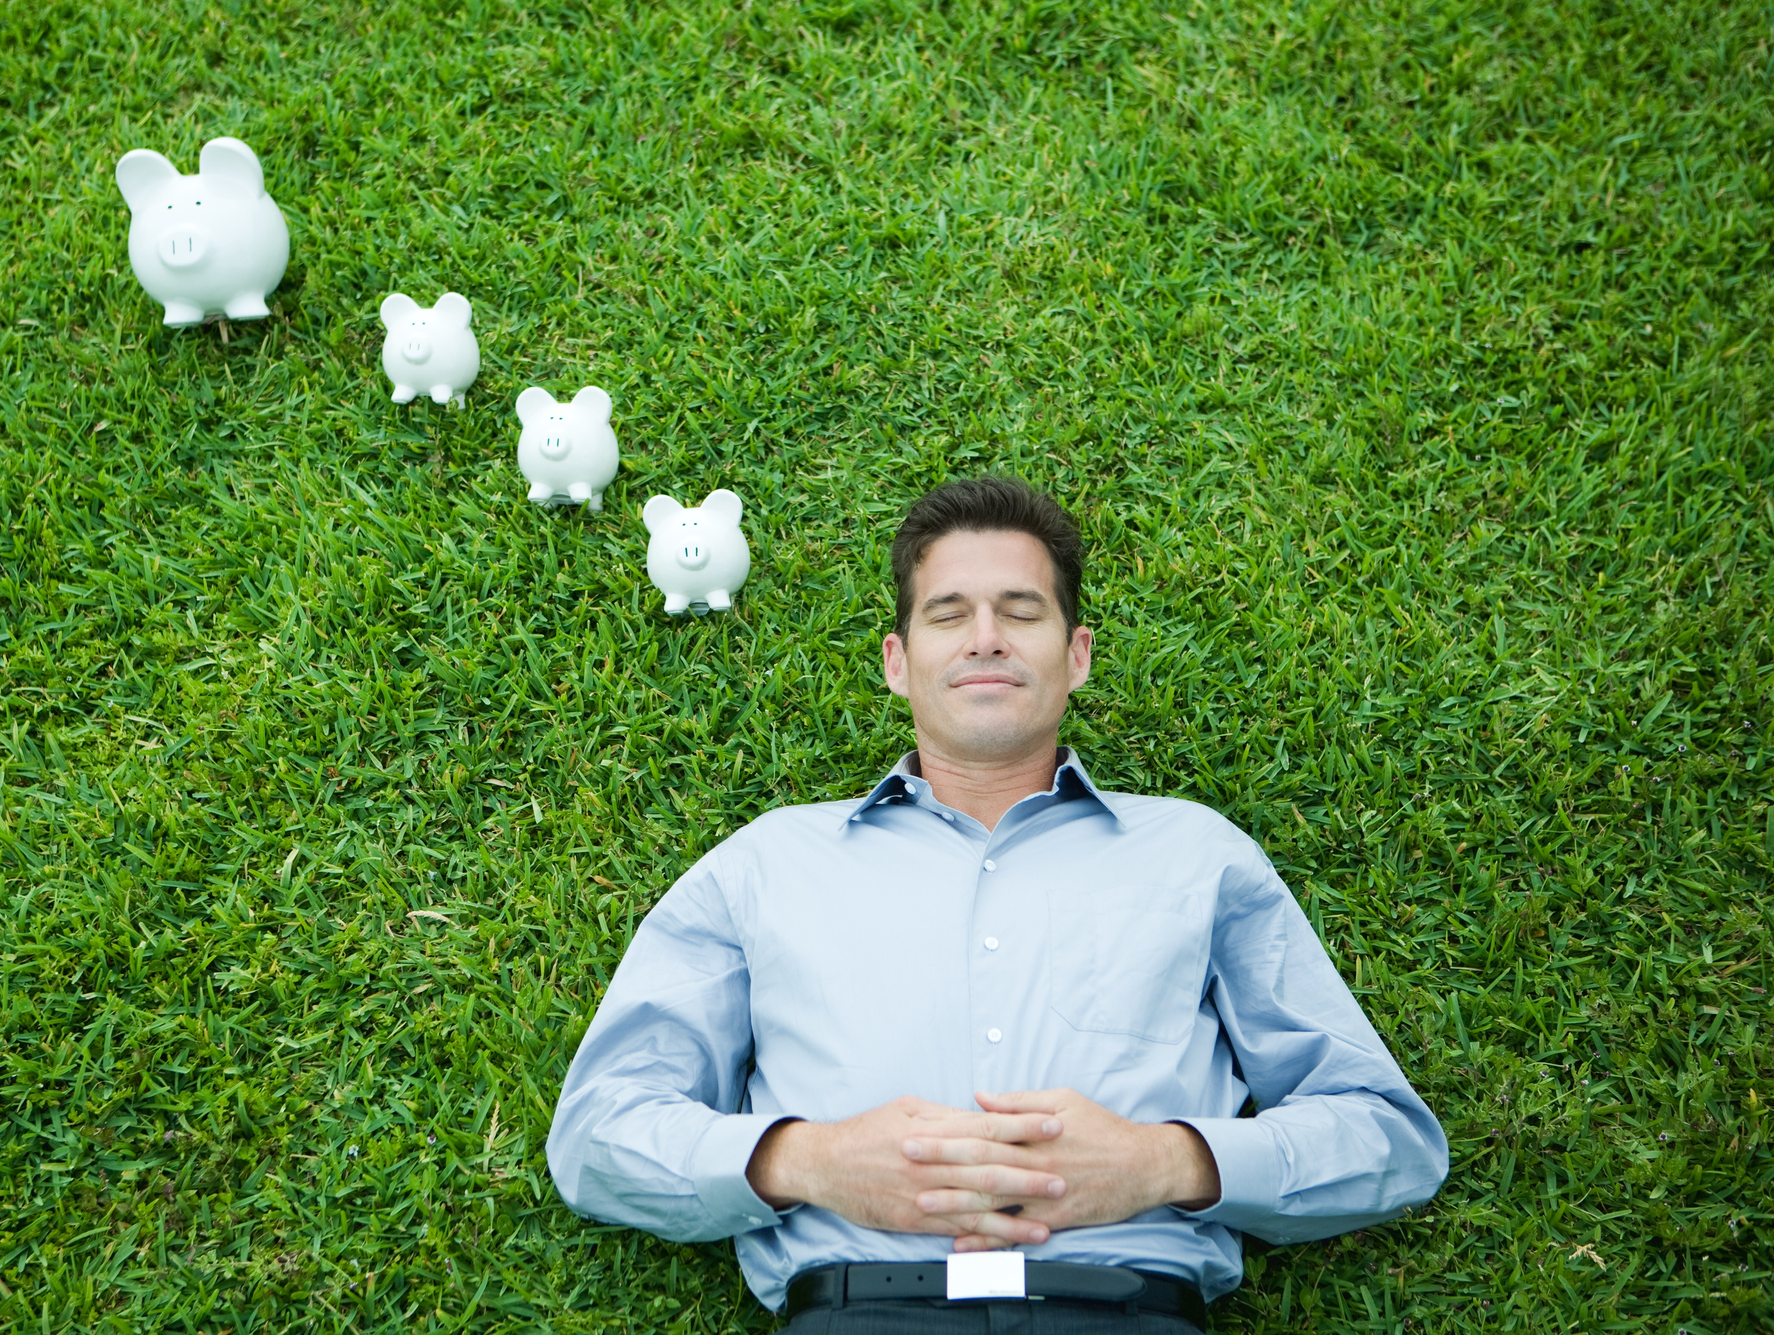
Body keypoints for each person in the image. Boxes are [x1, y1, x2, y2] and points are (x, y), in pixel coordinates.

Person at [547, 476, 1448, 1331]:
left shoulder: (1198, 855)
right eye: (948, 614)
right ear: (898, 661)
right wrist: (806, 1160)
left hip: (1127, 1313)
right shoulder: (767, 863)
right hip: (860, 1311)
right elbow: (597, 1133)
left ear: (1076, 654)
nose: (985, 637)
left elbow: (1387, 1135)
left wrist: (1165, 1161)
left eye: (1021, 610)